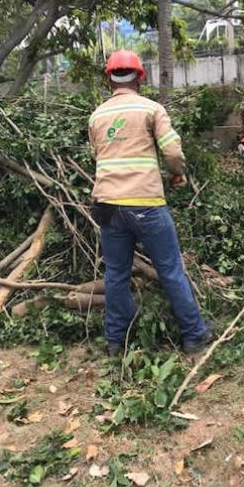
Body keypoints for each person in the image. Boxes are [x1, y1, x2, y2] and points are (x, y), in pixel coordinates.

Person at [87, 50, 212, 356]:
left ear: (109, 79)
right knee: (170, 269)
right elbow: (171, 153)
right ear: (140, 77)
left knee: (116, 274)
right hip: (145, 203)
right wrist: (177, 174)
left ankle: (117, 341)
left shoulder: (97, 116)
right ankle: (194, 335)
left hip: (107, 204)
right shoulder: (152, 109)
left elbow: (98, 155)